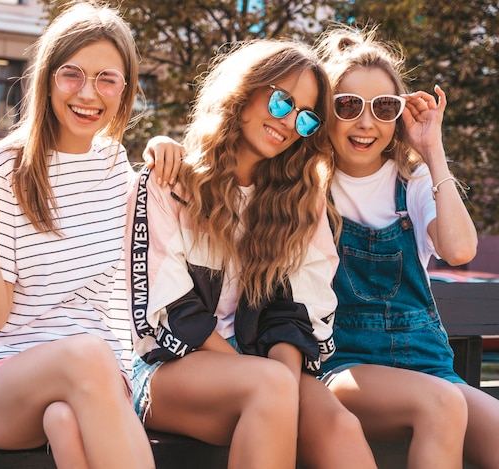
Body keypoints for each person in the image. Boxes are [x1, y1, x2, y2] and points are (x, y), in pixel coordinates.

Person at [0, 2, 180, 468]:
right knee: (86, 356)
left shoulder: (115, 164)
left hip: (97, 384)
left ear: (125, 90)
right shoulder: (4, 168)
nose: (88, 92)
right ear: (46, 78)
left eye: (107, 78)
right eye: (72, 74)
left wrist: (166, 147)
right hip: (3, 384)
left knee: (65, 420)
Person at [127, 39, 377, 468]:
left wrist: (276, 374)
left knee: (339, 425)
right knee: (271, 388)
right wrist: (266, 376)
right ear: (244, 91)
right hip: (169, 373)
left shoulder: (301, 203)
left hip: (264, 374)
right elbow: (171, 308)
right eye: (282, 101)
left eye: (306, 117)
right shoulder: (170, 183)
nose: (289, 121)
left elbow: (295, 314)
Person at [315, 25, 499, 468]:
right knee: (440, 404)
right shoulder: (308, 184)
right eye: (348, 105)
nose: (366, 122)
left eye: (383, 107)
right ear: (327, 113)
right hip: (344, 365)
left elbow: (459, 251)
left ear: (399, 115)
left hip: (428, 367)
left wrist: (432, 150)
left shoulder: (413, 180)